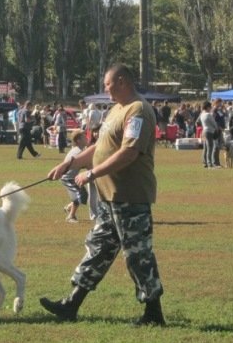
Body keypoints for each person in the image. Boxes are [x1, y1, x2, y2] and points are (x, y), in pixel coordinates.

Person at [39, 64, 165, 326]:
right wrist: (70, 164)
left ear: (121, 81)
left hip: (129, 196)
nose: (105, 89)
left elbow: (129, 152)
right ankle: (71, 305)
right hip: (110, 198)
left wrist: (92, 173)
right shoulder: (116, 110)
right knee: (98, 249)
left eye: (107, 84)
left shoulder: (138, 110)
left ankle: (153, 313)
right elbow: (100, 146)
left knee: (137, 255)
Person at [60, 130, 89, 223]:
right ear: (78, 141)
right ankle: (71, 217)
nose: (87, 138)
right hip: (68, 178)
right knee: (78, 196)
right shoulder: (78, 152)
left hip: (73, 177)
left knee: (83, 195)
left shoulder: (80, 150)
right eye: (84, 137)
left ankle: (69, 208)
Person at [198, 101, 218, 169]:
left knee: (206, 148)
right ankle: (210, 164)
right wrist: (217, 128)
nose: (211, 108)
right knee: (210, 148)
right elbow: (214, 123)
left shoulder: (202, 114)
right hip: (209, 132)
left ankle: (205, 162)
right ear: (208, 107)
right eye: (210, 107)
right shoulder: (208, 115)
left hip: (204, 131)